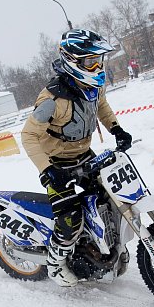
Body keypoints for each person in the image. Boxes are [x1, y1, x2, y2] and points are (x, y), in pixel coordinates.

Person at [21, 28, 132, 287]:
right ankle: (56, 263)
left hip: (84, 155)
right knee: (70, 218)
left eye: (98, 60)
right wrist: (47, 170)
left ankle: (108, 246)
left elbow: (101, 105)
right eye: (90, 61)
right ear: (73, 61)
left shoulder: (93, 86)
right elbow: (28, 136)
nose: (97, 66)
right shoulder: (52, 99)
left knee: (111, 199)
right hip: (57, 164)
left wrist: (116, 129)